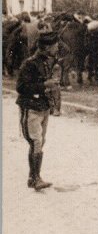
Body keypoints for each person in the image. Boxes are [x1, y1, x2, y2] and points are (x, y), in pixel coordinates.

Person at [17, 31, 60, 191]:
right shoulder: (30, 64)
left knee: (40, 142)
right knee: (36, 141)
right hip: (31, 107)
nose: (57, 49)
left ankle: (33, 177)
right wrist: (45, 86)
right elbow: (20, 87)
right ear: (46, 47)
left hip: (43, 106)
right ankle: (36, 178)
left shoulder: (47, 61)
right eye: (55, 46)